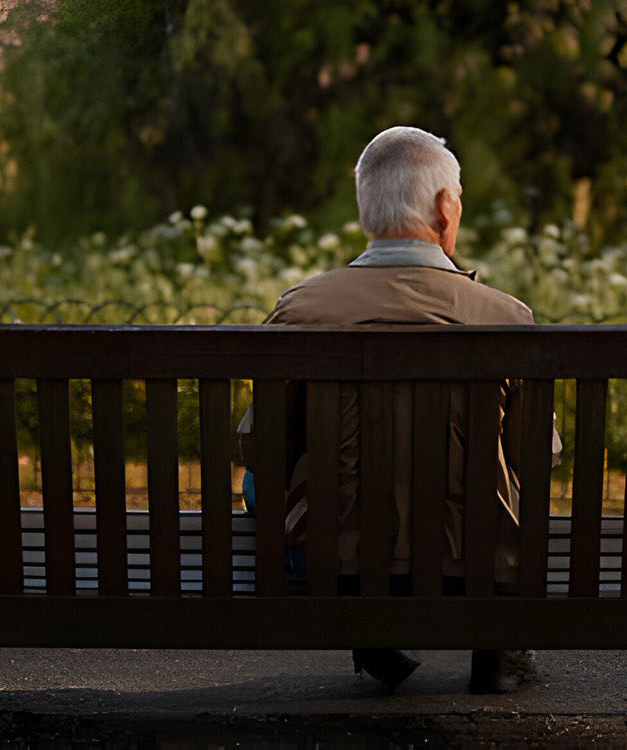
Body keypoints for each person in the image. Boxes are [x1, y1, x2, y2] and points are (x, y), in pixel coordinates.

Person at [248, 126, 547, 694]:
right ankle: (498, 645)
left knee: (259, 480)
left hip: (338, 561)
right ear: (445, 206)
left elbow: (264, 445)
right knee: (505, 475)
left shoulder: (303, 309)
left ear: (366, 209)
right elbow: (540, 453)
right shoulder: (504, 316)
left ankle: (372, 629)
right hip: (476, 560)